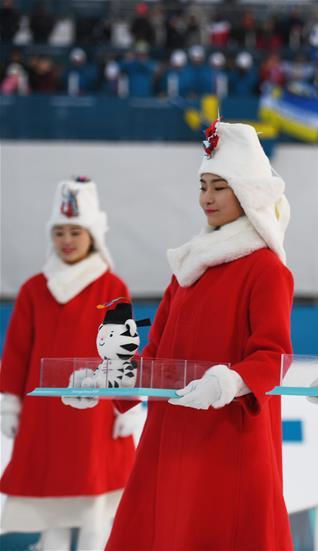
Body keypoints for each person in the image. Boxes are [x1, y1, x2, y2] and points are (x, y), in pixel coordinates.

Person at [96, 120, 295, 550]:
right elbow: (153, 358)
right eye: (203, 185)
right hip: (170, 440)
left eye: (219, 186)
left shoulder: (266, 269)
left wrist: (229, 382)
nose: (206, 197)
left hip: (229, 442)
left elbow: (274, 355)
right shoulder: (188, 268)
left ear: (249, 193)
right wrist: (111, 382)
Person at [0, 177, 140, 550]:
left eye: (75, 231)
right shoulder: (34, 289)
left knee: (96, 510)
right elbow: (16, 352)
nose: (66, 239)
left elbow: (124, 351)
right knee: (54, 511)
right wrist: (9, 404)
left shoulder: (111, 288)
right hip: (45, 417)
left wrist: (127, 404)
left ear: (92, 235)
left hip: (96, 419)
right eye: (59, 231)